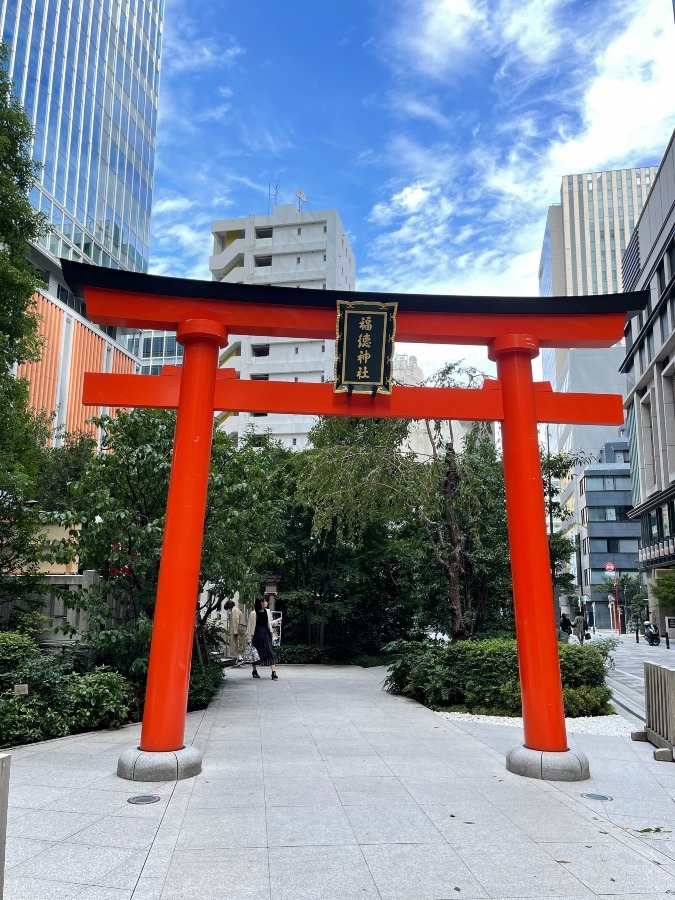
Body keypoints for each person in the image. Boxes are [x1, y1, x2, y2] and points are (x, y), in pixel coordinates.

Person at [246, 595, 279, 679]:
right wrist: (249, 639)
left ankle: (273, 672)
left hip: (266, 634)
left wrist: (277, 621)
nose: (266, 603)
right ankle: (254, 670)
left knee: (270, 652)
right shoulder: (253, 613)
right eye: (264, 601)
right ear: (261, 603)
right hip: (257, 634)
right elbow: (249, 627)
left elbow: (270, 623)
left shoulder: (267, 611)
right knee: (255, 653)